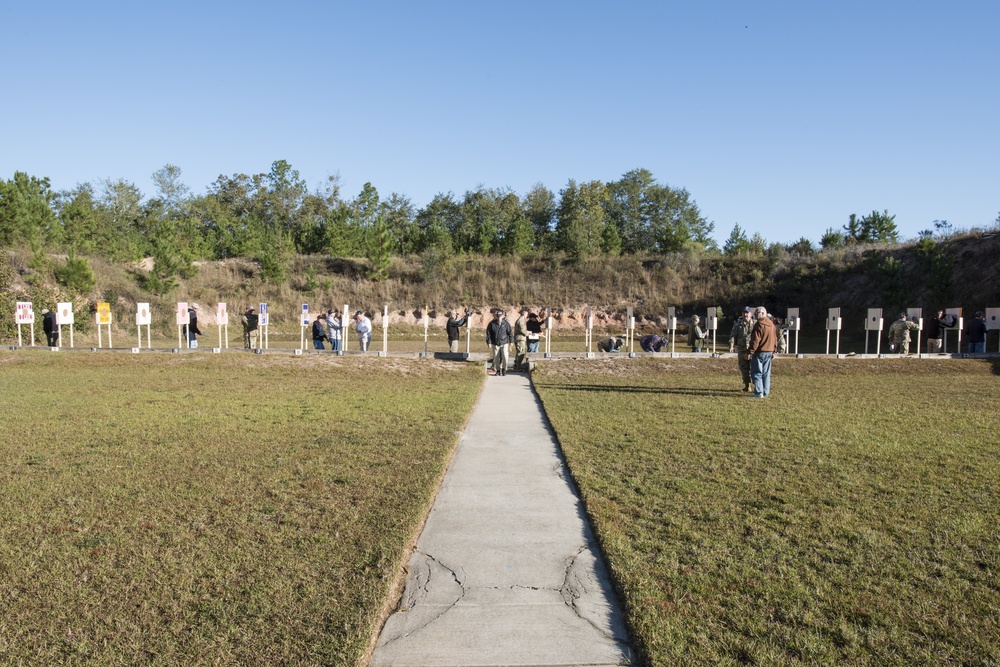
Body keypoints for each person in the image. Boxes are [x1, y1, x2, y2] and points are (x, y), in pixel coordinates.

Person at [746, 306, 777, 398]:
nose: (755, 315)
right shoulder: (772, 325)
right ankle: (765, 392)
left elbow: (755, 340)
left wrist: (750, 352)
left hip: (760, 352)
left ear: (763, 313)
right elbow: (775, 339)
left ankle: (759, 392)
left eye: (757, 313)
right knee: (766, 374)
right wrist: (774, 351)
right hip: (769, 352)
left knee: (756, 372)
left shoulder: (759, 324)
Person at [728, 307, 754, 392]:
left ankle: (758, 386)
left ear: (750, 314)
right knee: (743, 368)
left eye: (747, 313)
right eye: (744, 313)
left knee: (754, 368)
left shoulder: (755, 324)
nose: (745, 315)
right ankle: (747, 385)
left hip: (752, 350)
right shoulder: (738, 325)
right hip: (742, 349)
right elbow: (732, 335)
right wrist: (731, 345)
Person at [485, 308, 513, 376]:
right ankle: (497, 370)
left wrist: (511, 341)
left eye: (500, 316)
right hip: (495, 343)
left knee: (505, 355)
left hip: (504, 342)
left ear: (502, 316)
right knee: (496, 357)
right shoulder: (492, 324)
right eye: (498, 316)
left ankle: (504, 369)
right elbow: (488, 334)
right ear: (496, 316)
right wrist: (489, 342)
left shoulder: (506, 324)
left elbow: (510, 333)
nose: (499, 317)